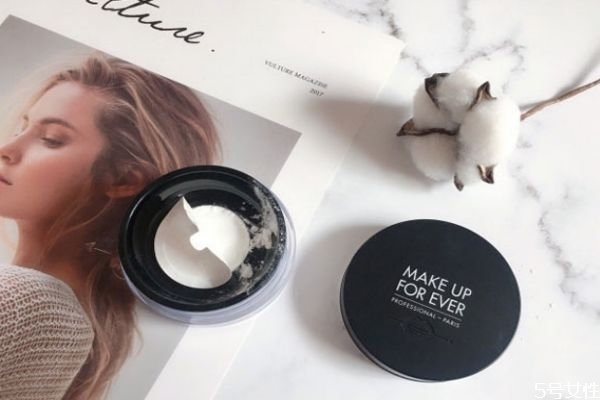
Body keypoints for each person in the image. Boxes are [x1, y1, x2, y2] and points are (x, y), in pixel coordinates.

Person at [0, 52, 220, 399]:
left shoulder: (26, 302)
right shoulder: (71, 323)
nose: (7, 148)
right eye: (20, 128)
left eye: (51, 139)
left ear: (123, 179)